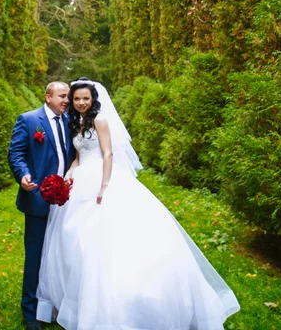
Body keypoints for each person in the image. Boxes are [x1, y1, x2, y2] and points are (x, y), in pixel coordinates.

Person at [36, 77, 240, 330]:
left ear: (93, 99)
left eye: (85, 98)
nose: (80, 103)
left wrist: (104, 185)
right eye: (76, 99)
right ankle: (76, 297)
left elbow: (107, 153)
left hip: (103, 177)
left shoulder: (99, 121)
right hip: (81, 179)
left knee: (107, 238)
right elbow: (79, 156)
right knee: (76, 239)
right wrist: (69, 174)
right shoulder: (76, 123)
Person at [8, 81, 75, 330]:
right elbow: (16, 154)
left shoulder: (70, 121)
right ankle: (30, 313)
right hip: (37, 197)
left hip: (68, 199)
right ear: (48, 97)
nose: (66, 100)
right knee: (35, 256)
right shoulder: (28, 120)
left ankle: (58, 303)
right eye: (62, 96)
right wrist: (23, 175)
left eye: (67, 96)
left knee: (62, 254)